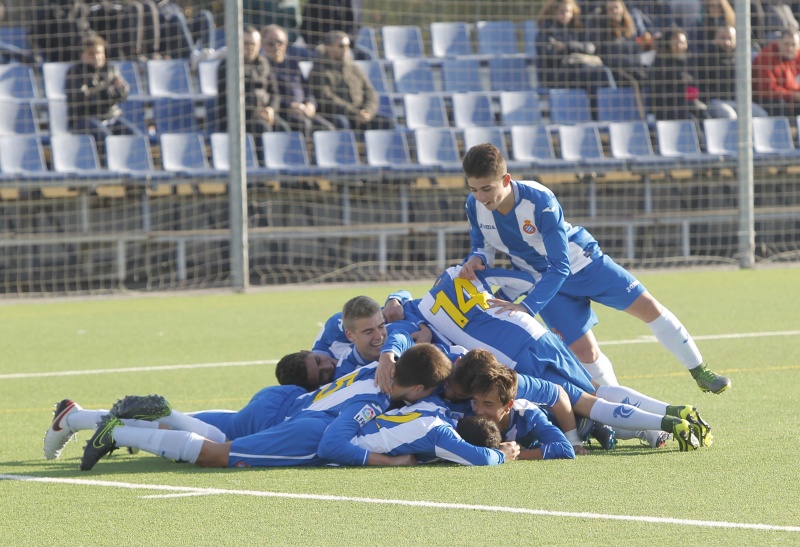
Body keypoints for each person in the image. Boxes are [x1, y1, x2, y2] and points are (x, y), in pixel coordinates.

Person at [457, 143, 731, 394]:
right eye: (473, 189)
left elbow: (561, 264)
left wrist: (527, 307)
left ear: (505, 180)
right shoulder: (475, 206)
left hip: (582, 264)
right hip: (543, 282)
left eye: (486, 189)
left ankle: (700, 370)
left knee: (649, 308)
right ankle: (621, 410)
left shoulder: (539, 200)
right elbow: (481, 245)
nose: (480, 197)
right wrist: (475, 258)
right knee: (586, 353)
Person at [417, 268, 709, 452]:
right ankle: (672, 412)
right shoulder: (463, 271)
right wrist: (523, 304)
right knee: (595, 390)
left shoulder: (423, 309)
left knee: (588, 403)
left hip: (517, 360)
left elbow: (401, 309)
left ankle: (665, 423)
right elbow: (524, 277)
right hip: (533, 332)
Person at [79, 343, 454, 470]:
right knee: (216, 454)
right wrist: (394, 462)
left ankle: (83, 417)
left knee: (211, 431)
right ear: (419, 387)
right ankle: (132, 426)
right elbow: (331, 446)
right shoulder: (373, 402)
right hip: (304, 429)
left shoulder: (377, 366)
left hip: (290, 403)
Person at [43, 351, 337, 460]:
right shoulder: (286, 395)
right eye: (321, 364)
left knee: (141, 422)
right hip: (225, 427)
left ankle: (74, 417)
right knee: (165, 429)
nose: (330, 365)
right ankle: (74, 420)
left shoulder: (278, 391)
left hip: (227, 418)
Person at [467, 363, 575, 460]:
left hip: (560, 417)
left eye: (488, 404)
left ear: (508, 406)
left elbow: (565, 448)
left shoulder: (527, 414)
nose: (479, 411)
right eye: (476, 402)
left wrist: (514, 454)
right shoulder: (470, 414)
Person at [216, 26, 290, 161]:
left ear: (259, 45)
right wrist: (253, 111)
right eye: (246, 43)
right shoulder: (227, 66)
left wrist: (271, 109)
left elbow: (275, 93)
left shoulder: (264, 63)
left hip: (264, 114)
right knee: (262, 127)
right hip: (238, 119)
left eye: (253, 44)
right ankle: (261, 174)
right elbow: (227, 100)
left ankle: (289, 179)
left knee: (284, 128)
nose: (250, 47)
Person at [65, 35, 139, 162]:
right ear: (81, 55)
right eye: (91, 53)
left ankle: (141, 179)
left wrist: (99, 92)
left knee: (135, 137)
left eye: (99, 52)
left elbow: (123, 92)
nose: (96, 57)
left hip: (111, 116)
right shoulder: (75, 72)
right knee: (106, 138)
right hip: (84, 119)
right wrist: (107, 91)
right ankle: (109, 171)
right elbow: (82, 99)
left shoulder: (111, 69)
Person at [261, 24, 337, 141]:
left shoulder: (292, 63)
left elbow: (307, 89)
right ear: (262, 44)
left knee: (327, 127)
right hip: (283, 111)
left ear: (286, 44)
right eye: (271, 43)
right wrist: (290, 105)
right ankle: (304, 158)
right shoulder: (263, 65)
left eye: (280, 43)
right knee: (303, 124)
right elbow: (270, 94)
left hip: (303, 109)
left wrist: (310, 104)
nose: (276, 47)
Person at [308, 30, 395, 131]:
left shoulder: (354, 68)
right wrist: (354, 113)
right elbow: (326, 98)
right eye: (341, 46)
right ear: (328, 47)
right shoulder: (319, 70)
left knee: (386, 123)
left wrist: (367, 112)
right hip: (339, 115)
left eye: (348, 46)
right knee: (342, 123)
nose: (346, 49)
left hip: (362, 115)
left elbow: (370, 92)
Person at [535, 0, 613, 113]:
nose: (565, 14)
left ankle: (603, 113)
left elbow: (590, 47)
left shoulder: (576, 28)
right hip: (556, 75)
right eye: (562, 11)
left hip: (577, 69)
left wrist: (566, 46)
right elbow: (551, 57)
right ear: (553, 11)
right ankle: (598, 114)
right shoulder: (546, 30)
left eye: (568, 11)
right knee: (598, 74)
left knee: (601, 73)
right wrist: (573, 50)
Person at [647, 28, 710, 121]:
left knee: (704, 114)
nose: (679, 46)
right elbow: (658, 92)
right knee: (689, 118)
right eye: (675, 43)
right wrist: (680, 89)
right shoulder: (660, 64)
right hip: (667, 108)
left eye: (682, 43)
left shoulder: (691, 62)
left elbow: (700, 86)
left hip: (690, 104)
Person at [752, 28, 800, 117]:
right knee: (779, 104)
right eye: (786, 44)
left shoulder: (797, 55)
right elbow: (768, 89)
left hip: (790, 95)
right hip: (766, 98)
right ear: (779, 42)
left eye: (793, 45)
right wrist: (793, 96)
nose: (790, 48)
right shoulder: (766, 57)